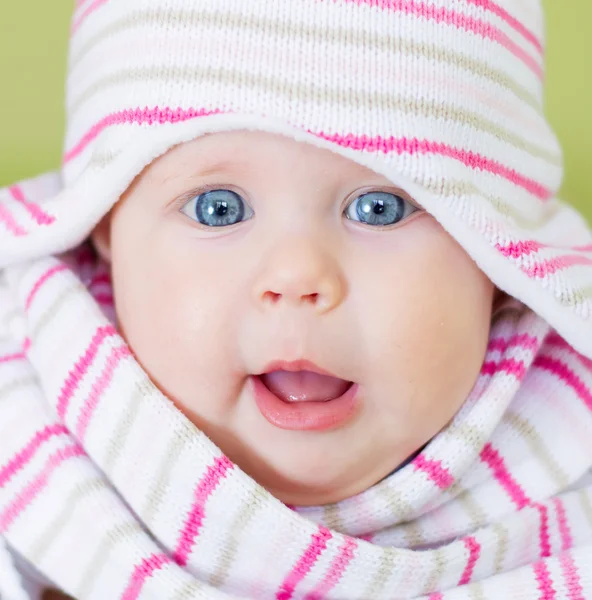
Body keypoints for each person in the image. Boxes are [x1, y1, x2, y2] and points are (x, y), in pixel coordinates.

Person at [0, 0, 591, 598]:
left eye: (378, 209)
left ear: (497, 254)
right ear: (105, 227)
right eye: (219, 209)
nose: (297, 276)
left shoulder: (570, 454)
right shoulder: (28, 450)